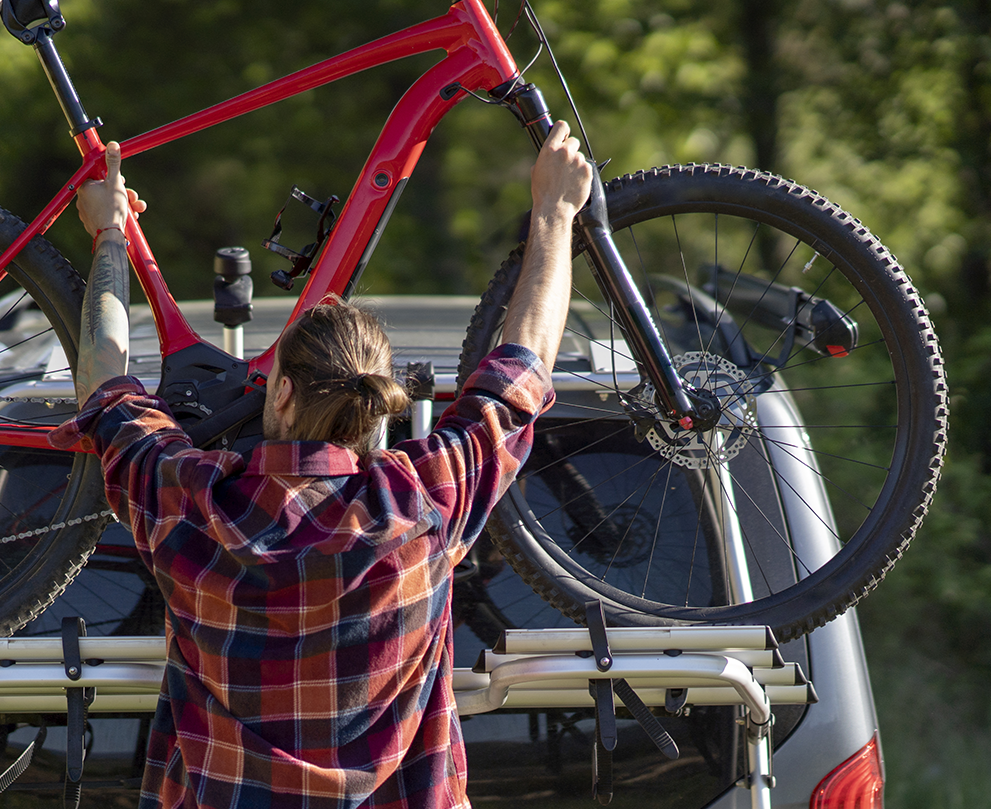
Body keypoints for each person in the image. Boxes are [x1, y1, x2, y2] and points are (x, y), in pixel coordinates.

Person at [50, 125, 592, 809]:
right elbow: (523, 369)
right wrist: (555, 214)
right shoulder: (422, 502)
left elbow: (104, 373)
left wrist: (109, 234)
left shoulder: (188, 501)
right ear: (378, 406)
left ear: (279, 392)